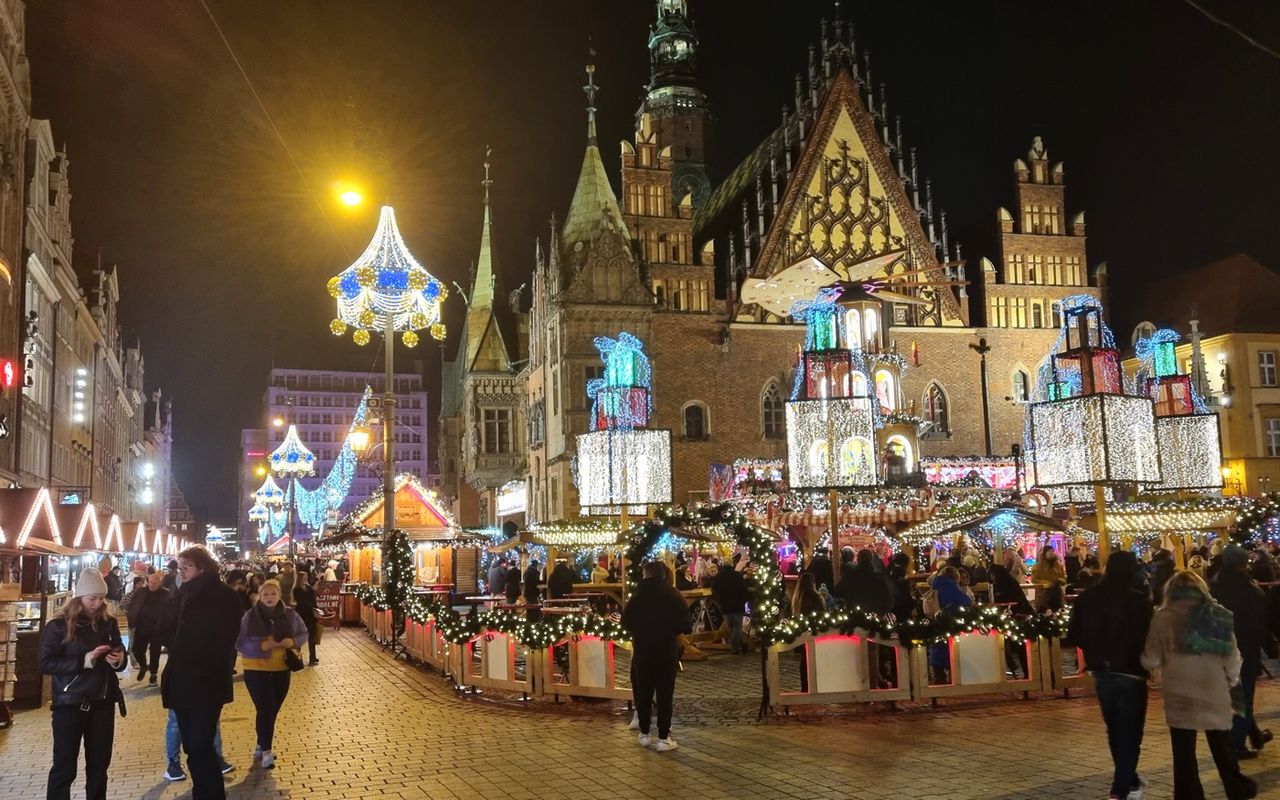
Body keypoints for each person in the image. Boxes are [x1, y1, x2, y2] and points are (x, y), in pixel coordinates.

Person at [1142, 570, 1256, 800]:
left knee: (1183, 753)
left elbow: (1151, 658)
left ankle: (1189, 794)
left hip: (1179, 692)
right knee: (1222, 746)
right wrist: (1232, 680)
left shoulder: (1162, 617)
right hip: (1214, 689)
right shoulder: (1218, 615)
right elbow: (1232, 656)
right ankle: (1236, 787)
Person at [1068, 551, 1153, 800]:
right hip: (1130, 672)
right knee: (1130, 732)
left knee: (1115, 729)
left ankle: (1129, 779)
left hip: (1101, 671)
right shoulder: (1137, 600)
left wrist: (1095, 651)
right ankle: (1121, 787)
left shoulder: (1089, 597)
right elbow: (1145, 636)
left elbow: (1074, 634)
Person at [161, 545, 243, 800]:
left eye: (187, 566)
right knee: (192, 747)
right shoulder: (182, 593)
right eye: (180, 565)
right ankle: (203, 793)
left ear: (203, 567)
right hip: (182, 680)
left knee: (201, 744)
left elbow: (225, 638)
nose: (182, 570)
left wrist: (201, 658)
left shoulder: (223, 595)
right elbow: (169, 630)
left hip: (206, 681)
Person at [40, 568, 127, 800]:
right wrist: (84, 660)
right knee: (64, 768)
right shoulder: (58, 625)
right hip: (68, 704)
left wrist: (119, 659)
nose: (97, 603)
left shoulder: (108, 622)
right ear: (79, 597)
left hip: (102, 701)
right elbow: (46, 662)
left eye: (101, 598)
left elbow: (119, 648)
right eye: (92, 598)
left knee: (99, 767)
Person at [236, 579, 308, 770]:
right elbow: (239, 641)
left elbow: (303, 633)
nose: (269, 597)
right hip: (256, 668)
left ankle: (261, 743)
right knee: (266, 707)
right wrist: (260, 646)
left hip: (281, 668)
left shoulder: (290, 614)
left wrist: (291, 642)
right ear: (259, 596)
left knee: (272, 709)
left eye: (273, 594)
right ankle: (267, 752)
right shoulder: (249, 617)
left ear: (279, 595)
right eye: (265, 594)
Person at [1211, 544, 1273, 758]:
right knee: (1243, 695)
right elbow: (1259, 623)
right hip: (1244, 647)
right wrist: (1267, 647)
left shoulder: (1214, 586)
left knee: (1233, 695)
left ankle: (1252, 733)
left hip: (1220, 648)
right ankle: (1236, 743)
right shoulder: (1250, 589)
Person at [622, 562, 691, 752]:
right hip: (666, 650)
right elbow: (685, 624)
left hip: (642, 650)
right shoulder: (673, 595)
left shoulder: (636, 597)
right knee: (664, 694)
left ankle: (644, 734)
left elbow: (625, 622)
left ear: (645, 575)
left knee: (643, 693)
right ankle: (663, 737)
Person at [128, 571, 171, 685]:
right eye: (150, 582)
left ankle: (153, 674)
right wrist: (131, 620)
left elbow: (170, 611)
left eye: (155, 583)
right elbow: (132, 605)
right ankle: (143, 666)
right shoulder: (141, 592)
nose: (152, 585)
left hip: (157, 628)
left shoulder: (166, 594)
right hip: (142, 626)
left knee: (155, 652)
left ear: (159, 584)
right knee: (136, 650)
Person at [791, 572, 826, 692]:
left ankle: (805, 687)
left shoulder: (797, 599)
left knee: (804, 661)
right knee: (813, 660)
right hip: (814, 632)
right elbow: (821, 614)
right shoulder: (815, 598)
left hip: (802, 633)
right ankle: (814, 686)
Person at [712, 553, 751, 654]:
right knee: (737, 626)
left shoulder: (719, 576)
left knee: (730, 626)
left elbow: (714, 589)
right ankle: (741, 643)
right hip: (738, 604)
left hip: (726, 604)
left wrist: (719, 599)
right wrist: (744, 600)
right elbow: (744, 590)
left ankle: (736, 646)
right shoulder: (737, 575)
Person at [293, 568, 321, 665]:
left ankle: (312, 657)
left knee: (312, 637)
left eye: (306, 577)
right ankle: (298, 658)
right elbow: (300, 601)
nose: (305, 579)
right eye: (303, 578)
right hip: (301, 614)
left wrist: (316, 609)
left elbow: (314, 599)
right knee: (300, 637)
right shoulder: (296, 589)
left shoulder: (308, 588)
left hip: (310, 615)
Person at [1031, 546, 1066, 612]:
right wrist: (1046, 583)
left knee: (1058, 614)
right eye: (1049, 551)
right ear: (1045, 553)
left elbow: (1063, 579)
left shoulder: (1059, 565)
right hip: (1043, 595)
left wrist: (1061, 580)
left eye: (1052, 551)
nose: (1051, 553)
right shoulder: (1038, 566)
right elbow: (1034, 580)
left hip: (1057, 595)